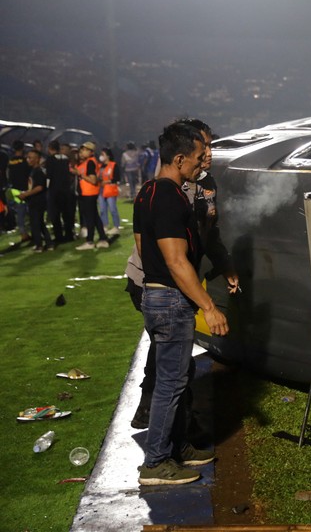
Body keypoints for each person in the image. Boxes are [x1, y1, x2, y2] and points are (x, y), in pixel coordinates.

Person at [133, 120, 232, 486]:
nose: (201, 163)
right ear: (178, 159)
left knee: (173, 379)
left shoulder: (146, 192)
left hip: (155, 294)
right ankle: (157, 462)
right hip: (171, 300)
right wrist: (209, 306)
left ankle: (176, 448)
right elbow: (176, 261)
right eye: (196, 157)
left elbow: (144, 247)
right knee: (171, 384)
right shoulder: (170, 197)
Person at [72, 141, 110, 250]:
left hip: (89, 193)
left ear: (91, 152)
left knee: (90, 218)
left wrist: (80, 174)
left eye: (85, 150)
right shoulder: (87, 162)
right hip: (88, 193)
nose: (82, 152)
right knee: (95, 217)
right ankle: (103, 238)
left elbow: (93, 180)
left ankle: (90, 241)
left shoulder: (90, 162)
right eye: (82, 150)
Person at [17, 149, 53, 252]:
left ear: (37, 159)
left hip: (38, 201)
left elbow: (39, 187)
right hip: (36, 200)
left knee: (35, 224)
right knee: (40, 223)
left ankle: (39, 246)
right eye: (28, 157)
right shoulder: (33, 170)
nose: (28, 159)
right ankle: (49, 244)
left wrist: (26, 194)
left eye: (30, 158)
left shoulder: (38, 171)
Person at [45, 141, 76, 244]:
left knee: (55, 214)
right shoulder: (65, 159)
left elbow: (49, 176)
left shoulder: (50, 159)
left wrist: (47, 188)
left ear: (50, 148)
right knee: (66, 214)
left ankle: (59, 236)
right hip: (66, 190)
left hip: (55, 191)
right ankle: (69, 235)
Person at [6, 140, 31, 243]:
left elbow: (8, 174)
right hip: (25, 189)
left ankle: (23, 233)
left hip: (15, 189)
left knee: (20, 213)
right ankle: (31, 231)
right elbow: (29, 174)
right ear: (22, 148)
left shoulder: (10, 161)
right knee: (29, 211)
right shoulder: (24, 160)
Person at [97, 147, 122, 236]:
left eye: (103, 154)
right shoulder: (100, 166)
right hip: (101, 190)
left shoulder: (113, 165)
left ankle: (116, 227)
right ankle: (105, 225)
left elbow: (117, 178)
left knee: (112, 209)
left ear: (108, 156)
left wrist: (107, 181)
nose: (101, 156)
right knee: (102, 210)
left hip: (110, 190)